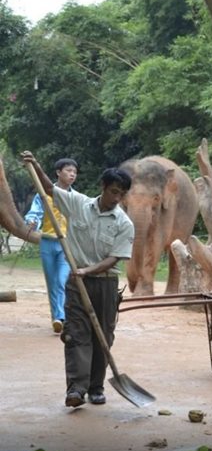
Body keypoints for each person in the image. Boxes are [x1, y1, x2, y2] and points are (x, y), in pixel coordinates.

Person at [22, 151, 134, 408]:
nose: (116, 198)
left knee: (102, 336)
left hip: (104, 283)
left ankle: (96, 388)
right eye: (113, 191)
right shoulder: (78, 203)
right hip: (77, 283)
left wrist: (88, 270)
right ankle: (76, 389)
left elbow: (115, 258)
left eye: (121, 194)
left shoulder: (124, 223)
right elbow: (50, 189)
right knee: (76, 335)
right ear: (103, 188)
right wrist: (35, 164)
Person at [24, 158, 79, 334]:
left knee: (61, 280)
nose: (72, 174)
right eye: (69, 171)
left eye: (74, 172)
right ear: (58, 172)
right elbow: (35, 212)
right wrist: (32, 221)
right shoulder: (44, 194)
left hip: (65, 244)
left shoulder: (75, 197)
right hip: (47, 242)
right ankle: (57, 317)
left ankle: (61, 316)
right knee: (52, 282)